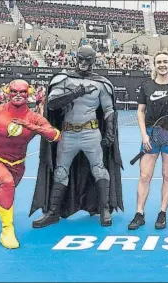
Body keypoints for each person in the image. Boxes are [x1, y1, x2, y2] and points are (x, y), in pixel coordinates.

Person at [30, 45, 124, 228]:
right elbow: (52, 104)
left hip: (91, 133)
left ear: (93, 61)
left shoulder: (100, 83)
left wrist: (110, 132)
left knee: (99, 169)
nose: (83, 64)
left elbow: (108, 110)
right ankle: (53, 212)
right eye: (80, 59)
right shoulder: (64, 79)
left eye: (87, 60)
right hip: (68, 133)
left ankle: (104, 209)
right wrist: (76, 92)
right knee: (60, 171)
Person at [0, 79, 61, 249]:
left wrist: (31, 126)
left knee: (7, 185)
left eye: (22, 92)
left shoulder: (34, 118)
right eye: (14, 91)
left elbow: (55, 135)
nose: (18, 95)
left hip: (17, 165)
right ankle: (7, 230)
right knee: (6, 182)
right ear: (8, 93)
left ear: (28, 93)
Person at [128, 51, 168, 230]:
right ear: (154, 64)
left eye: (165, 62)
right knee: (145, 176)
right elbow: (140, 111)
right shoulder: (146, 86)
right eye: (159, 62)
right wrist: (144, 135)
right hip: (151, 133)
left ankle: (162, 213)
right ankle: (139, 214)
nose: (162, 65)